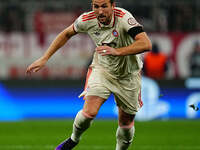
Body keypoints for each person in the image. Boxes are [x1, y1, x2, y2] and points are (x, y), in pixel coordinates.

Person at [26, 0, 152, 149]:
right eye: (96, 7)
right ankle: (73, 139)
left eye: (104, 6)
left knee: (126, 123)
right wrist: (45, 58)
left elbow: (146, 43)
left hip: (129, 75)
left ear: (113, 5)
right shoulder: (87, 19)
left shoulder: (124, 18)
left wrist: (118, 52)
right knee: (89, 112)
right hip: (102, 70)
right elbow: (66, 33)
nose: (100, 11)